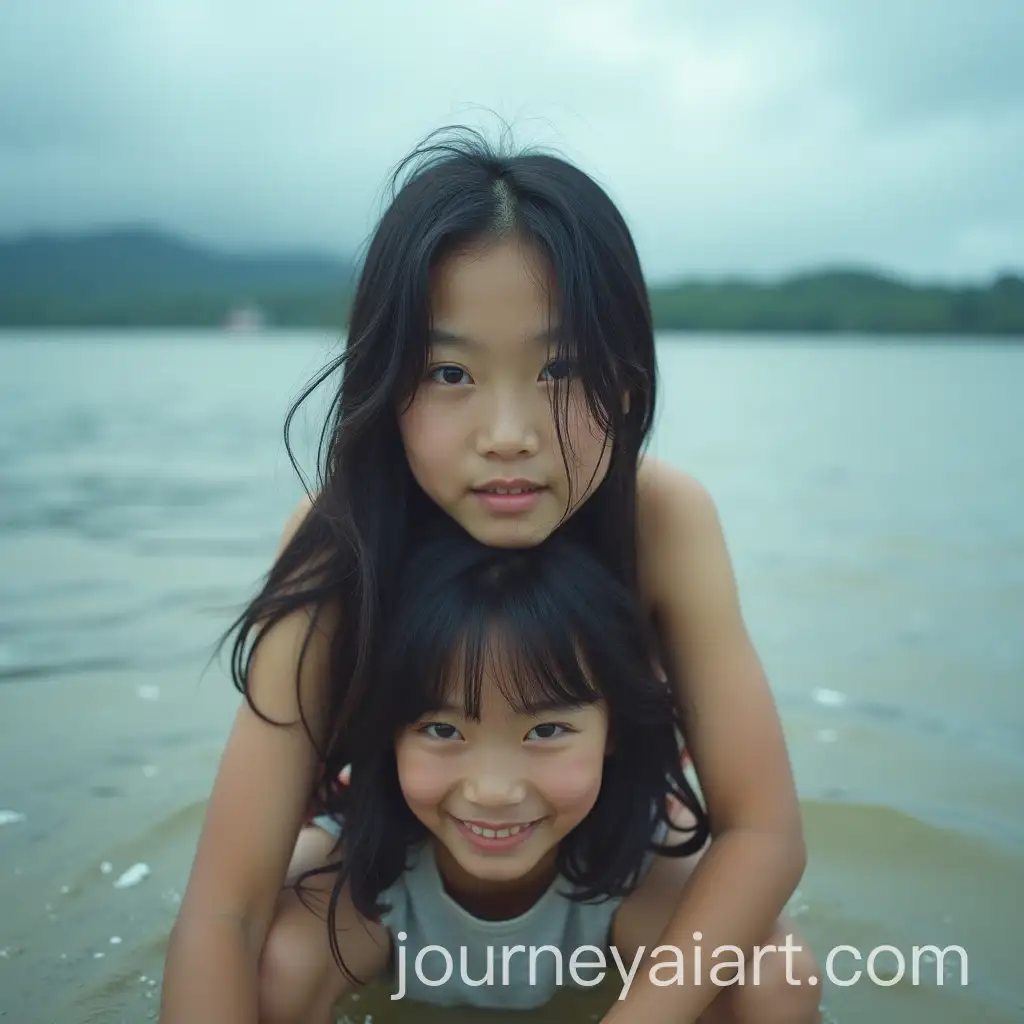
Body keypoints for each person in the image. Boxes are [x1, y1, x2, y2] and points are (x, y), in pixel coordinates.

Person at [160, 125, 821, 1024]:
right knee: (272, 962)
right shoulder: (337, 536)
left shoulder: (663, 518)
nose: (508, 431)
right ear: (385, 386)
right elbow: (224, 910)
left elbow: (764, 831)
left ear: (627, 386)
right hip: (390, 845)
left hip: (614, 842)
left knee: (773, 977)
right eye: (448, 371)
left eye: (562, 367)